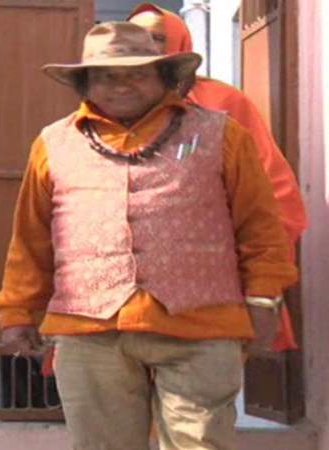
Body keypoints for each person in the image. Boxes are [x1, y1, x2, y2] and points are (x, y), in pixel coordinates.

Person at [0, 21, 297, 450]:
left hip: (201, 328)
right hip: (90, 331)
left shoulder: (222, 134)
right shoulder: (53, 144)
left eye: (137, 73)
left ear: (164, 77)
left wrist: (264, 299)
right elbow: (31, 238)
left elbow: (260, 227)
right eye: (106, 75)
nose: (122, 85)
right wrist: (17, 312)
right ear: (85, 83)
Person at [128, 3, 308, 350]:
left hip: (209, 286)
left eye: (157, 38)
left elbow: (271, 192)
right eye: (135, 37)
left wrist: (258, 283)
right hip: (121, 300)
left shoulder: (222, 102)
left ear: (179, 42)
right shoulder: (107, 105)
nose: (146, 47)